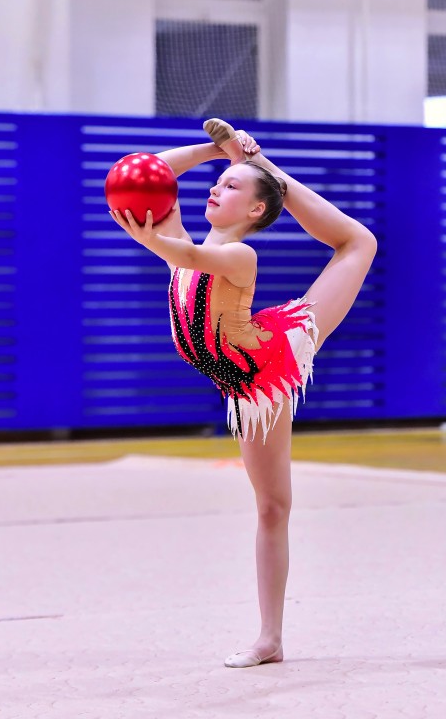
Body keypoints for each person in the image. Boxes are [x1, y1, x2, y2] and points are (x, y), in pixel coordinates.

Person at [109, 118, 377, 668]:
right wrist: (217, 153)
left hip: (267, 367)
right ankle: (272, 640)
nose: (215, 188)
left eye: (231, 186)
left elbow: (189, 258)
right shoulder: (181, 243)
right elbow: (149, 171)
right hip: (239, 375)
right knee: (271, 506)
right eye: (216, 183)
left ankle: (268, 637)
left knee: (359, 243)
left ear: (255, 210)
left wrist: (256, 167)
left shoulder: (236, 256)